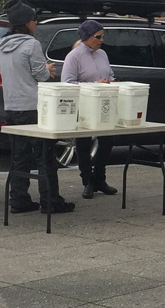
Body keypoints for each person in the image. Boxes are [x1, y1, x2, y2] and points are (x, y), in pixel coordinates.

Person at [0, 0, 75, 214]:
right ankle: (51, 201)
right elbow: (41, 75)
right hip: (32, 107)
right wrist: (47, 69)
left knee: (19, 156)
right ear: (26, 23)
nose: (36, 23)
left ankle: (18, 199)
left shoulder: (1, 45)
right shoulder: (31, 44)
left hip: (11, 106)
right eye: (34, 20)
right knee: (44, 156)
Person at [61, 20, 118, 199]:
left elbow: (109, 73)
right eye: (98, 37)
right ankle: (88, 180)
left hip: (103, 104)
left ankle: (100, 178)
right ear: (86, 37)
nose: (101, 40)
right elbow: (67, 83)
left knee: (107, 140)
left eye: (102, 36)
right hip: (84, 105)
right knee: (84, 143)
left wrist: (110, 81)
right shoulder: (74, 56)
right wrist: (94, 84)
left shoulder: (102, 54)